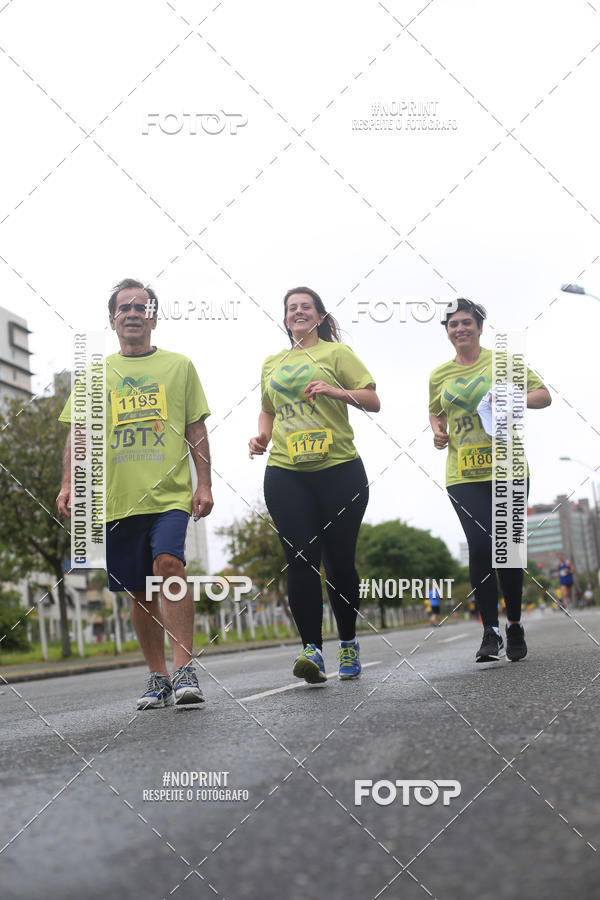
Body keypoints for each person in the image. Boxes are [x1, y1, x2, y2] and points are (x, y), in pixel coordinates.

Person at [56, 279, 213, 709]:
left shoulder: (179, 366)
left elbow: (196, 428)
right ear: (112, 320)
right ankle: (157, 676)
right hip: (118, 499)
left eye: (141, 307)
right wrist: (70, 482)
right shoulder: (95, 375)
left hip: (170, 495)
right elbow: (79, 432)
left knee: (169, 564)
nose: (132, 313)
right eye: (124, 307)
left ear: (153, 318)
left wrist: (203, 483)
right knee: (139, 591)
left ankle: (184, 668)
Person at [249, 286, 380, 683]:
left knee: (339, 563)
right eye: (291, 308)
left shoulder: (336, 354)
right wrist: (262, 436)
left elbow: (372, 400)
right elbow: (267, 409)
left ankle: (348, 643)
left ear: (320, 317)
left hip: (339, 469)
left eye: (306, 307)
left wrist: (334, 390)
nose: (298, 312)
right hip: (286, 471)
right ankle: (311, 651)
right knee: (301, 559)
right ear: (285, 318)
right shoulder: (272, 363)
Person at [428, 299, 551, 662]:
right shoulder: (439, 374)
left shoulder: (503, 362)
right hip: (462, 473)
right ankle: (489, 632)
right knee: (481, 547)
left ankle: (514, 623)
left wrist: (512, 399)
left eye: (467, 322)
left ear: (480, 328)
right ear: (447, 332)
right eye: (453, 324)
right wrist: (438, 431)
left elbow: (543, 396)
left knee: (507, 550)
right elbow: (435, 412)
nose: (460, 329)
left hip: (508, 468)